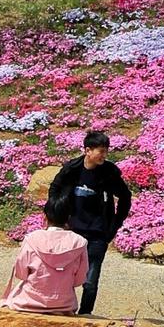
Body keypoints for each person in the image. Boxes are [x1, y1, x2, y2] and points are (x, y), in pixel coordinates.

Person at [44, 129, 133, 314]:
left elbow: (125, 197)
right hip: (71, 231)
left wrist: (115, 224)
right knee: (63, 274)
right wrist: (57, 216)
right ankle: (61, 309)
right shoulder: (72, 169)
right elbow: (55, 188)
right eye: (100, 151)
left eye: (106, 151)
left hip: (98, 234)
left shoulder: (109, 173)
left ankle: (85, 314)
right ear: (87, 150)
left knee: (90, 282)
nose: (104, 155)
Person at [0, 220, 90, 315]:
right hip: (64, 304)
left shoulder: (32, 238)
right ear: (69, 218)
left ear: (45, 217)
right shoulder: (79, 242)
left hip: (29, 302)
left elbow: (21, 273)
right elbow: (80, 279)